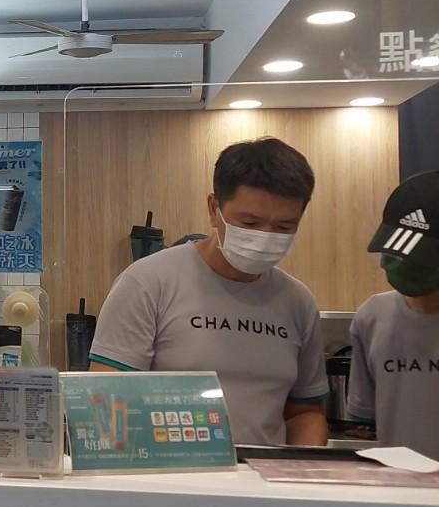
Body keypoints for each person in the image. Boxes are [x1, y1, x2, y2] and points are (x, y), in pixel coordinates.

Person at [89, 137, 328, 446]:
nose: (265, 237)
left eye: (284, 227)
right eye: (250, 222)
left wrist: (302, 470)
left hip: (265, 475)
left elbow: (305, 413)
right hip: (168, 474)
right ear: (214, 209)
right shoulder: (148, 283)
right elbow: (106, 405)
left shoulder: (298, 303)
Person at [347, 171, 439, 460]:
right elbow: (364, 423)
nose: (402, 263)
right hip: (398, 485)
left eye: (420, 256)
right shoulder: (372, 317)